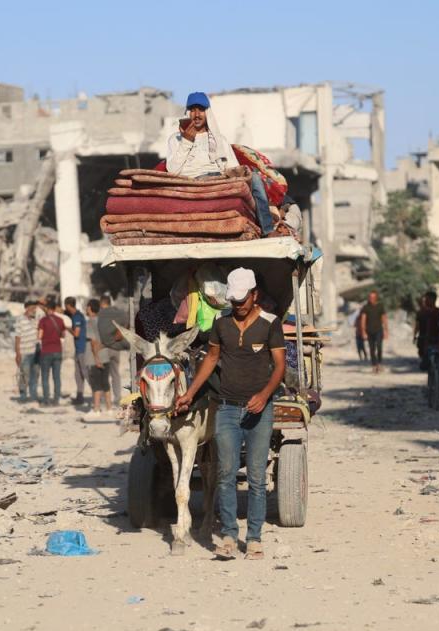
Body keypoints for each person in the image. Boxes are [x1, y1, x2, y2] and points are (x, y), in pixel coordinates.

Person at [175, 267, 286, 560]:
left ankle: (254, 538)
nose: (238, 306)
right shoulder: (221, 324)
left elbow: (280, 366)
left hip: (260, 412)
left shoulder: (270, 324)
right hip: (226, 409)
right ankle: (227, 536)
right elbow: (210, 359)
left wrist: (264, 396)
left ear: (254, 294)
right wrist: (189, 393)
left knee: (257, 478)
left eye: (242, 301)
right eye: (234, 301)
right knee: (225, 474)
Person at [165, 92, 274, 235]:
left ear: (208, 113)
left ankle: (268, 230)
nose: (196, 114)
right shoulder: (176, 139)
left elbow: (232, 168)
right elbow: (172, 171)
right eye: (192, 110)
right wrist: (187, 141)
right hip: (193, 180)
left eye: (201, 110)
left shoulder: (219, 139)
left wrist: (239, 174)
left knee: (255, 178)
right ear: (187, 112)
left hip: (219, 178)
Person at [97, 295, 128, 406]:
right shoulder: (117, 313)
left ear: (101, 303)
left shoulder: (101, 315)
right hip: (116, 348)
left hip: (104, 348)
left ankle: (101, 399)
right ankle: (117, 397)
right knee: (115, 374)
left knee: (102, 374)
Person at [85, 299, 111, 416]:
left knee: (96, 385)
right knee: (105, 383)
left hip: (95, 358)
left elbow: (93, 342)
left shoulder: (90, 322)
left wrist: (96, 359)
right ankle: (109, 409)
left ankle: (96, 409)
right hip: (106, 355)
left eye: (87, 307)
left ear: (90, 308)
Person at [37, 299, 65, 406]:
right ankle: (56, 399)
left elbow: (39, 336)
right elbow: (63, 335)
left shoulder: (43, 321)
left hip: (46, 351)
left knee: (45, 376)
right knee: (57, 377)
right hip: (57, 350)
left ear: (47, 309)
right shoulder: (60, 320)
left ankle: (46, 400)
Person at [13, 300, 40, 403]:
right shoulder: (20, 320)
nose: (34, 310)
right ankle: (23, 395)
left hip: (36, 351)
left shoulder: (35, 320)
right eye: (33, 308)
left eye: (35, 308)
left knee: (36, 373)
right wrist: (17, 353)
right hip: (24, 351)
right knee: (24, 374)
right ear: (27, 308)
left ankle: (33, 396)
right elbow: (17, 337)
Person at [64, 297, 88, 406]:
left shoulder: (77, 317)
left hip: (82, 349)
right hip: (78, 349)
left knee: (85, 373)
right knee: (78, 375)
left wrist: (68, 329)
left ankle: (98, 396)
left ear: (68, 305)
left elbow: (76, 333)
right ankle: (80, 396)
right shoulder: (77, 315)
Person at [359, 291, 388, 373]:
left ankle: (379, 363)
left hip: (379, 330)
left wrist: (386, 330)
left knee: (379, 347)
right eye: (370, 297)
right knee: (372, 349)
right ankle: (374, 365)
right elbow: (363, 320)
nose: (371, 299)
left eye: (373, 297)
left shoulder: (380, 306)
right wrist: (363, 331)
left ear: (376, 298)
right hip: (369, 331)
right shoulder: (366, 307)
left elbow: (384, 318)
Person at [414, 291, 439, 371]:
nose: (425, 301)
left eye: (427, 299)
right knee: (423, 357)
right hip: (423, 339)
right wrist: (415, 336)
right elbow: (417, 326)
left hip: (435, 339)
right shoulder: (421, 312)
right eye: (425, 299)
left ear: (433, 300)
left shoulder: (438, 312)